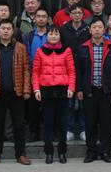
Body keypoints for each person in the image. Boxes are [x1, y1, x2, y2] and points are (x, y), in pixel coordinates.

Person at [0, 19, 32, 166]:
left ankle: (20, 154)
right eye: (3, 28)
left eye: (9, 29)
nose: (5, 31)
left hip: (17, 93)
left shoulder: (20, 48)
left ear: (13, 31)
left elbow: (26, 70)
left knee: (19, 125)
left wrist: (26, 89)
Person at [77, 19, 111, 163]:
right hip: (89, 90)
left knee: (106, 123)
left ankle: (105, 151)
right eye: (94, 27)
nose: (97, 29)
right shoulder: (83, 47)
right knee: (90, 123)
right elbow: (79, 71)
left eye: (100, 27)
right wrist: (79, 89)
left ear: (104, 30)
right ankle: (91, 152)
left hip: (106, 91)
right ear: (90, 30)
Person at [32, 26, 76, 164]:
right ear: (47, 36)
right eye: (51, 34)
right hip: (46, 91)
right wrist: (36, 89)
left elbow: (71, 71)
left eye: (56, 34)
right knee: (48, 123)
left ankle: (62, 152)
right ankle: (49, 152)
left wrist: (71, 87)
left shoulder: (66, 51)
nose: (53, 36)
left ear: (60, 36)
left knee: (62, 123)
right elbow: (35, 72)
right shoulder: (40, 51)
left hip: (63, 91)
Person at [59, 4, 90, 141]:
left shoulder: (88, 29)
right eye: (74, 13)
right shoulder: (63, 29)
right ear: (70, 15)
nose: (77, 15)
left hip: (85, 66)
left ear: (83, 15)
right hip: (67, 67)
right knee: (69, 101)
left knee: (84, 101)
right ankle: (69, 129)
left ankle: (84, 129)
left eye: (79, 13)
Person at [21, 6, 50, 141]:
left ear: (48, 19)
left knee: (49, 107)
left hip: (50, 76)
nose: (41, 19)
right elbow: (26, 56)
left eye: (44, 17)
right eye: (39, 16)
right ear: (34, 19)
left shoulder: (53, 34)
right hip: (34, 76)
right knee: (33, 108)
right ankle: (34, 133)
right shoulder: (28, 36)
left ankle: (50, 133)